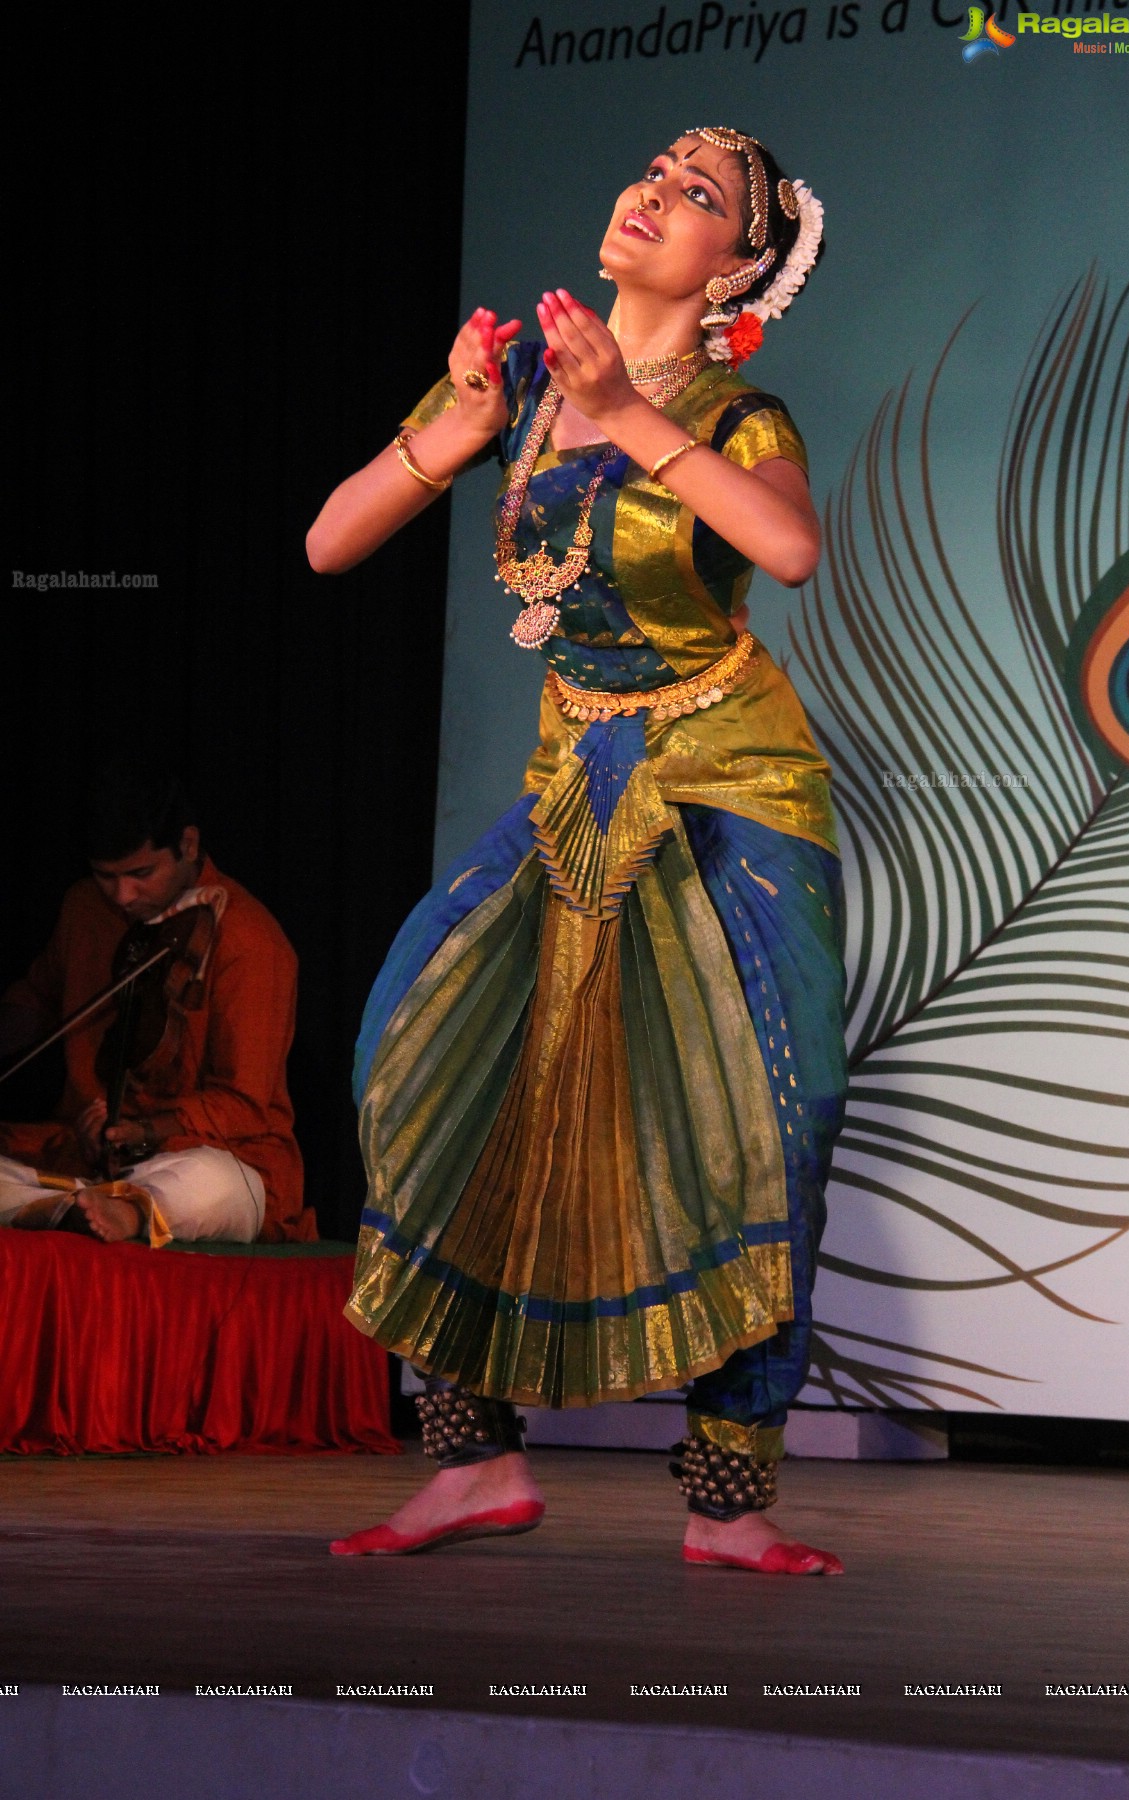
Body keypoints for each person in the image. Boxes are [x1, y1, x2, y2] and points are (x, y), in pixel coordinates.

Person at [308, 127, 846, 1575]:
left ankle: (730, 1500)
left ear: (734, 264)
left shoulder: (740, 414)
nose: (651, 192)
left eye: (697, 194)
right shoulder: (529, 383)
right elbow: (328, 541)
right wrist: (460, 428)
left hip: (734, 782)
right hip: (577, 778)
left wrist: (633, 417)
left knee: (774, 1118)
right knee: (416, 1055)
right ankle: (472, 1460)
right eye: (654, 169)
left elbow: (787, 554)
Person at [0, 760, 315, 1246]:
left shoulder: (251, 941)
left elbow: (246, 1105)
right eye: (106, 876)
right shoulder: (85, 908)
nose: (124, 896)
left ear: (188, 845)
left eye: (142, 873)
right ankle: (76, 1207)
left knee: (217, 1185)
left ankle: (130, 1210)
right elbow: (36, 999)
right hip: (87, 1161)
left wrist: (143, 1131)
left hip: (197, 1159)